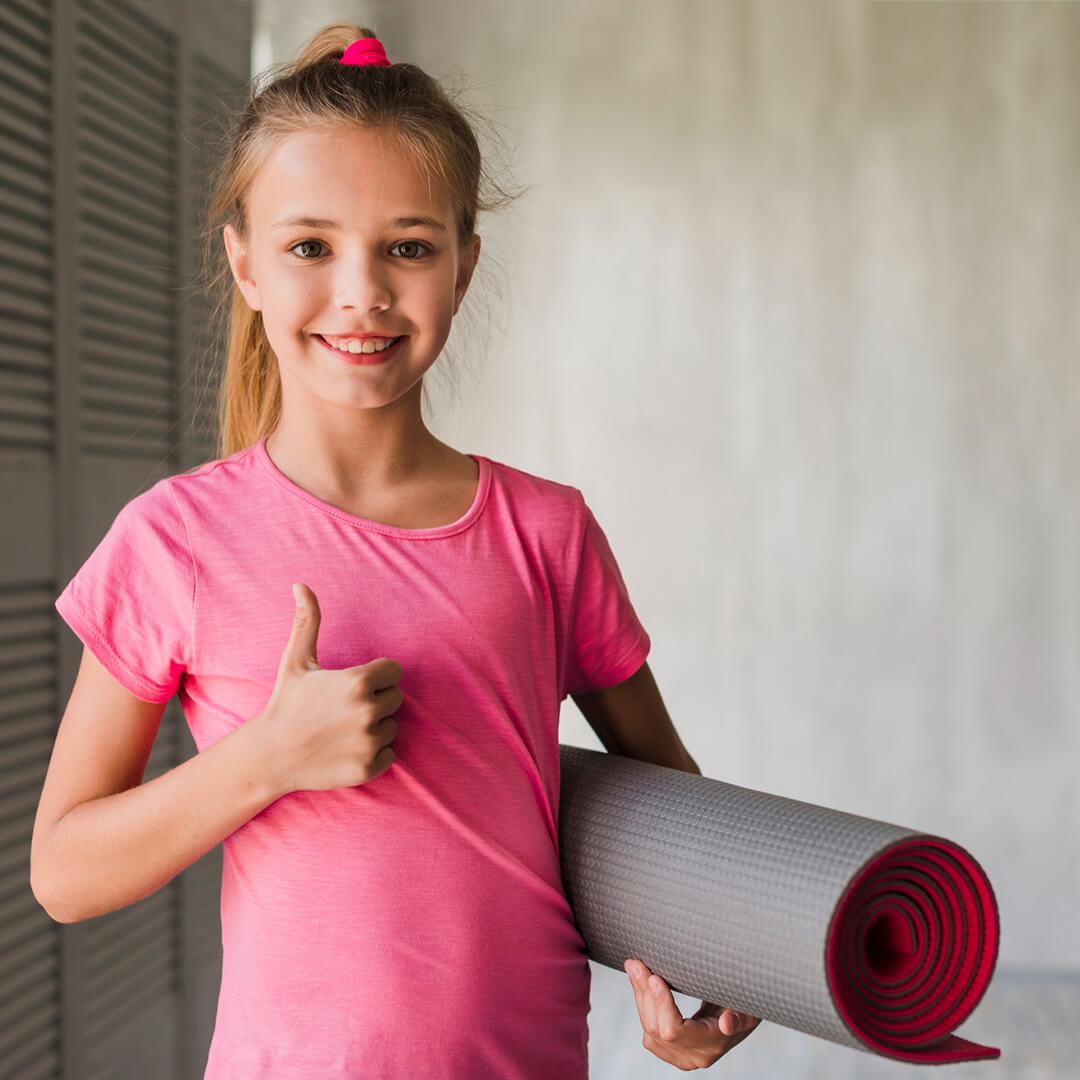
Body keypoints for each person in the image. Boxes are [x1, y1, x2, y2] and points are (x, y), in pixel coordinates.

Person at [31, 23, 760, 1077]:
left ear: (465, 263)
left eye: (408, 247)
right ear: (245, 263)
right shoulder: (176, 540)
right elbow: (63, 869)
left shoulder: (546, 533)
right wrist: (267, 760)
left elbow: (669, 798)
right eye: (310, 247)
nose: (364, 291)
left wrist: (700, 972)